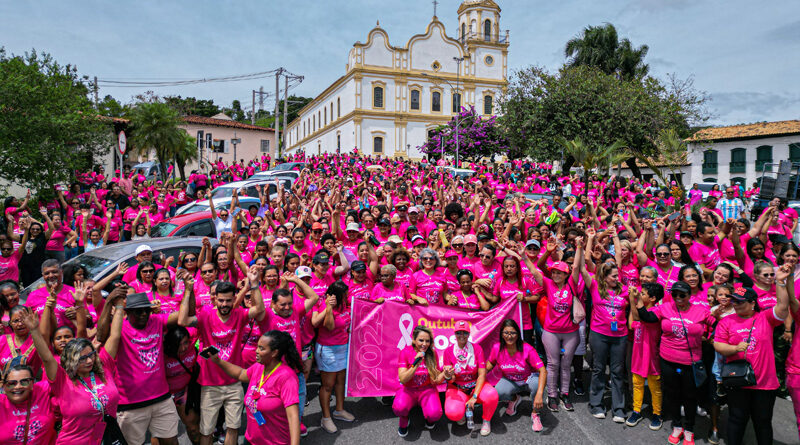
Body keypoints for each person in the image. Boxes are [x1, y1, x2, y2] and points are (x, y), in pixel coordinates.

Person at [178, 267, 266, 445]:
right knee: (206, 431)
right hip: (209, 385)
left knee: (233, 428)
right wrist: (188, 290)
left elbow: (258, 309)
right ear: (214, 299)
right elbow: (182, 321)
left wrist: (254, 284)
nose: (224, 304)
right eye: (221, 300)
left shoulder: (240, 314)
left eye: (228, 301)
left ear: (234, 299)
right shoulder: (205, 316)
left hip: (234, 383)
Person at [27, 288, 124, 445]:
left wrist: (119, 306)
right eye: (81, 359)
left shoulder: (103, 367)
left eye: (89, 355)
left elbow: (115, 336)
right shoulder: (61, 380)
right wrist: (33, 330)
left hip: (106, 439)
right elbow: (46, 356)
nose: (88, 361)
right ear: (70, 361)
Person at [713, 266, 792, 445]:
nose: (735, 304)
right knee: (736, 420)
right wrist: (735, 349)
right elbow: (718, 345)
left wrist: (780, 281)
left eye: (740, 301)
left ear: (752, 303)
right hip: (737, 382)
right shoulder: (726, 321)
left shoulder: (765, 318)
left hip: (765, 384)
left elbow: (782, 306)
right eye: (734, 300)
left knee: (763, 422)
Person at [636, 281, 716, 445]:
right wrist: (637, 300)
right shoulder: (665, 308)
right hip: (668, 360)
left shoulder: (701, 311)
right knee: (672, 395)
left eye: (682, 295)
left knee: (689, 397)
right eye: (675, 295)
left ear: (689, 295)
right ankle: (677, 426)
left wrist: (709, 339)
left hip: (690, 362)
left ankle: (689, 429)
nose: (678, 298)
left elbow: (718, 325)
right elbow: (648, 317)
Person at [98, 290, 182, 445]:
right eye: (138, 311)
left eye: (146, 310)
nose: (144, 314)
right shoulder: (119, 329)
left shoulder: (157, 321)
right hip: (130, 405)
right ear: (127, 312)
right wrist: (110, 302)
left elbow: (183, 316)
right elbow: (100, 336)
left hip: (162, 398)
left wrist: (188, 290)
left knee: (171, 442)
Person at [207, 330, 301, 445]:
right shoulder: (258, 367)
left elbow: (293, 417)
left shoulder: (287, 377)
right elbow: (240, 373)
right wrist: (218, 361)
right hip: (251, 440)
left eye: (261, 348)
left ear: (274, 353)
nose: (256, 351)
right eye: (257, 347)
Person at [486, 319, 547, 432]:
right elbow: (489, 365)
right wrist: (476, 376)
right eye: (506, 333)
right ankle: (514, 399)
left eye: (513, 333)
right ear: (502, 334)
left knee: (536, 385)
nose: (509, 336)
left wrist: (539, 394)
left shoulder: (527, 349)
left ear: (518, 334)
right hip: (511, 381)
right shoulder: (497, 348)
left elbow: (543, 370)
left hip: (528, 379)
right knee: (498, 392)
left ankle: (535, 414)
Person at [311, 280, 354, 433]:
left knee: (341, 381)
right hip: (328, 350)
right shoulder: (324, 306)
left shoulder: (346, 305)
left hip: (343, 348)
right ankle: (326, 417)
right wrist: (329, 307)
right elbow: (329, 326)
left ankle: (339, 409)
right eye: (344, 295)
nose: (346, 297)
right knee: (328, 385)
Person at [442, 320, 498, 436]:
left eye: (465, 333)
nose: (462, 335)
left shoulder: (477, 349)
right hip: (457, 387)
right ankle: (461, 411)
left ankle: (486, 420)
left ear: (469, 334)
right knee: (453, 412)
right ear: (454, 334)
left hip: (475, 386)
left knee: (492, 395)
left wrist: (474, 396)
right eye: (458, 333)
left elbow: (482, 374)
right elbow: (451, 380)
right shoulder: (448, 351)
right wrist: (448, 375)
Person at [393, 325, 445, 437]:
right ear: (414, 340)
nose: (424, 344)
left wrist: (445, 374)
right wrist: (415, 364)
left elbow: (435, 381)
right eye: (421, 340)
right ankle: (404, 418)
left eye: (427, 341)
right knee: (399, 407)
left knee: (435, 413)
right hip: (408, 389)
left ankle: (429, 420)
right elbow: (403, 378)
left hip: (427, 389)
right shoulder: (405, 352)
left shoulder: (432, 353)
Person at [627, 283, 664, 431]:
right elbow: (632, 324)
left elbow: (638, 316)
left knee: (655, 386)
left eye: (643, 293)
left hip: (651, 356)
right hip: (638, 354)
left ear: (653, 298)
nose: (640, 295)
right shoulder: (642, 309)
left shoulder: (657, 311)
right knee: (637, 383)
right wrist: (633, 300)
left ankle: (657, 413)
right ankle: (636, 410)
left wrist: (632, 299)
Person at [0, 362, 57, 444]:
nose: (18, 386)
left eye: (24, 382)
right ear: (4, 386)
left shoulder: (42, 390)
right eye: (11, 383)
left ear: (32, 383)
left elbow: (56, 372)